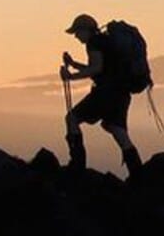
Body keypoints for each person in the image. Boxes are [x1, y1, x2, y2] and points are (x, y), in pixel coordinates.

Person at [60, 14, 143, 179]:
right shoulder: (105, 42)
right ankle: (138, 174)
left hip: (106, 93)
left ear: (86, 30)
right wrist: (75, 64)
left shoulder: (94, 43)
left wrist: (71, 76)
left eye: (77, 32)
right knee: (116, 129)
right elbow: (103, 69)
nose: (76, 36)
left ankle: (77, 165)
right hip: (121, 93)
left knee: (72, 119)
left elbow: (96, 69)